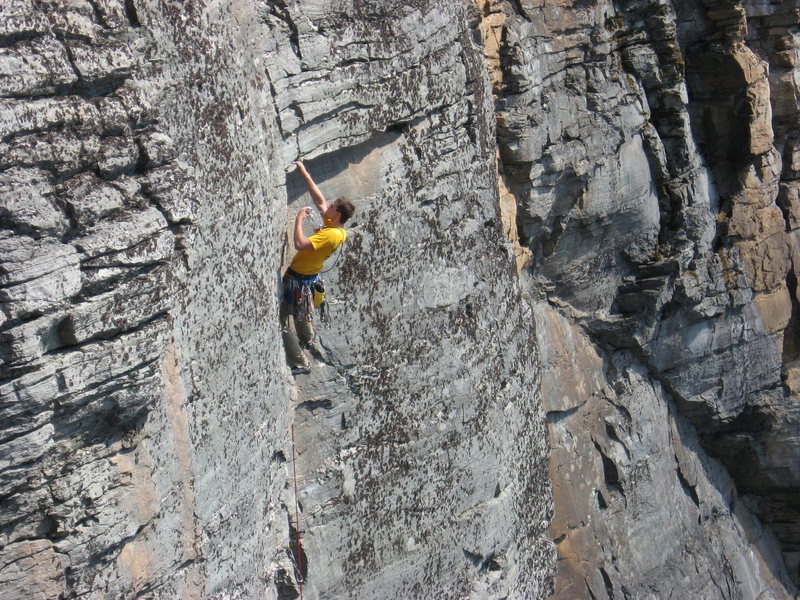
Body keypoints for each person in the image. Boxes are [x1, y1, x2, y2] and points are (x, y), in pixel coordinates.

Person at [281, 161, 355, 375]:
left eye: (332, 207)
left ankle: (300, 363)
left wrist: (299, 220)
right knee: (303, 313)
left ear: (338, 214)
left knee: (283, 322)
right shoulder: (336, 228)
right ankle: (307, 338)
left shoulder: (329, 233)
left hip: (297, 278)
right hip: (309, 278)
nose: (327, 207)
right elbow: (319, 200)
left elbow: (300, 245)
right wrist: (304, 172)